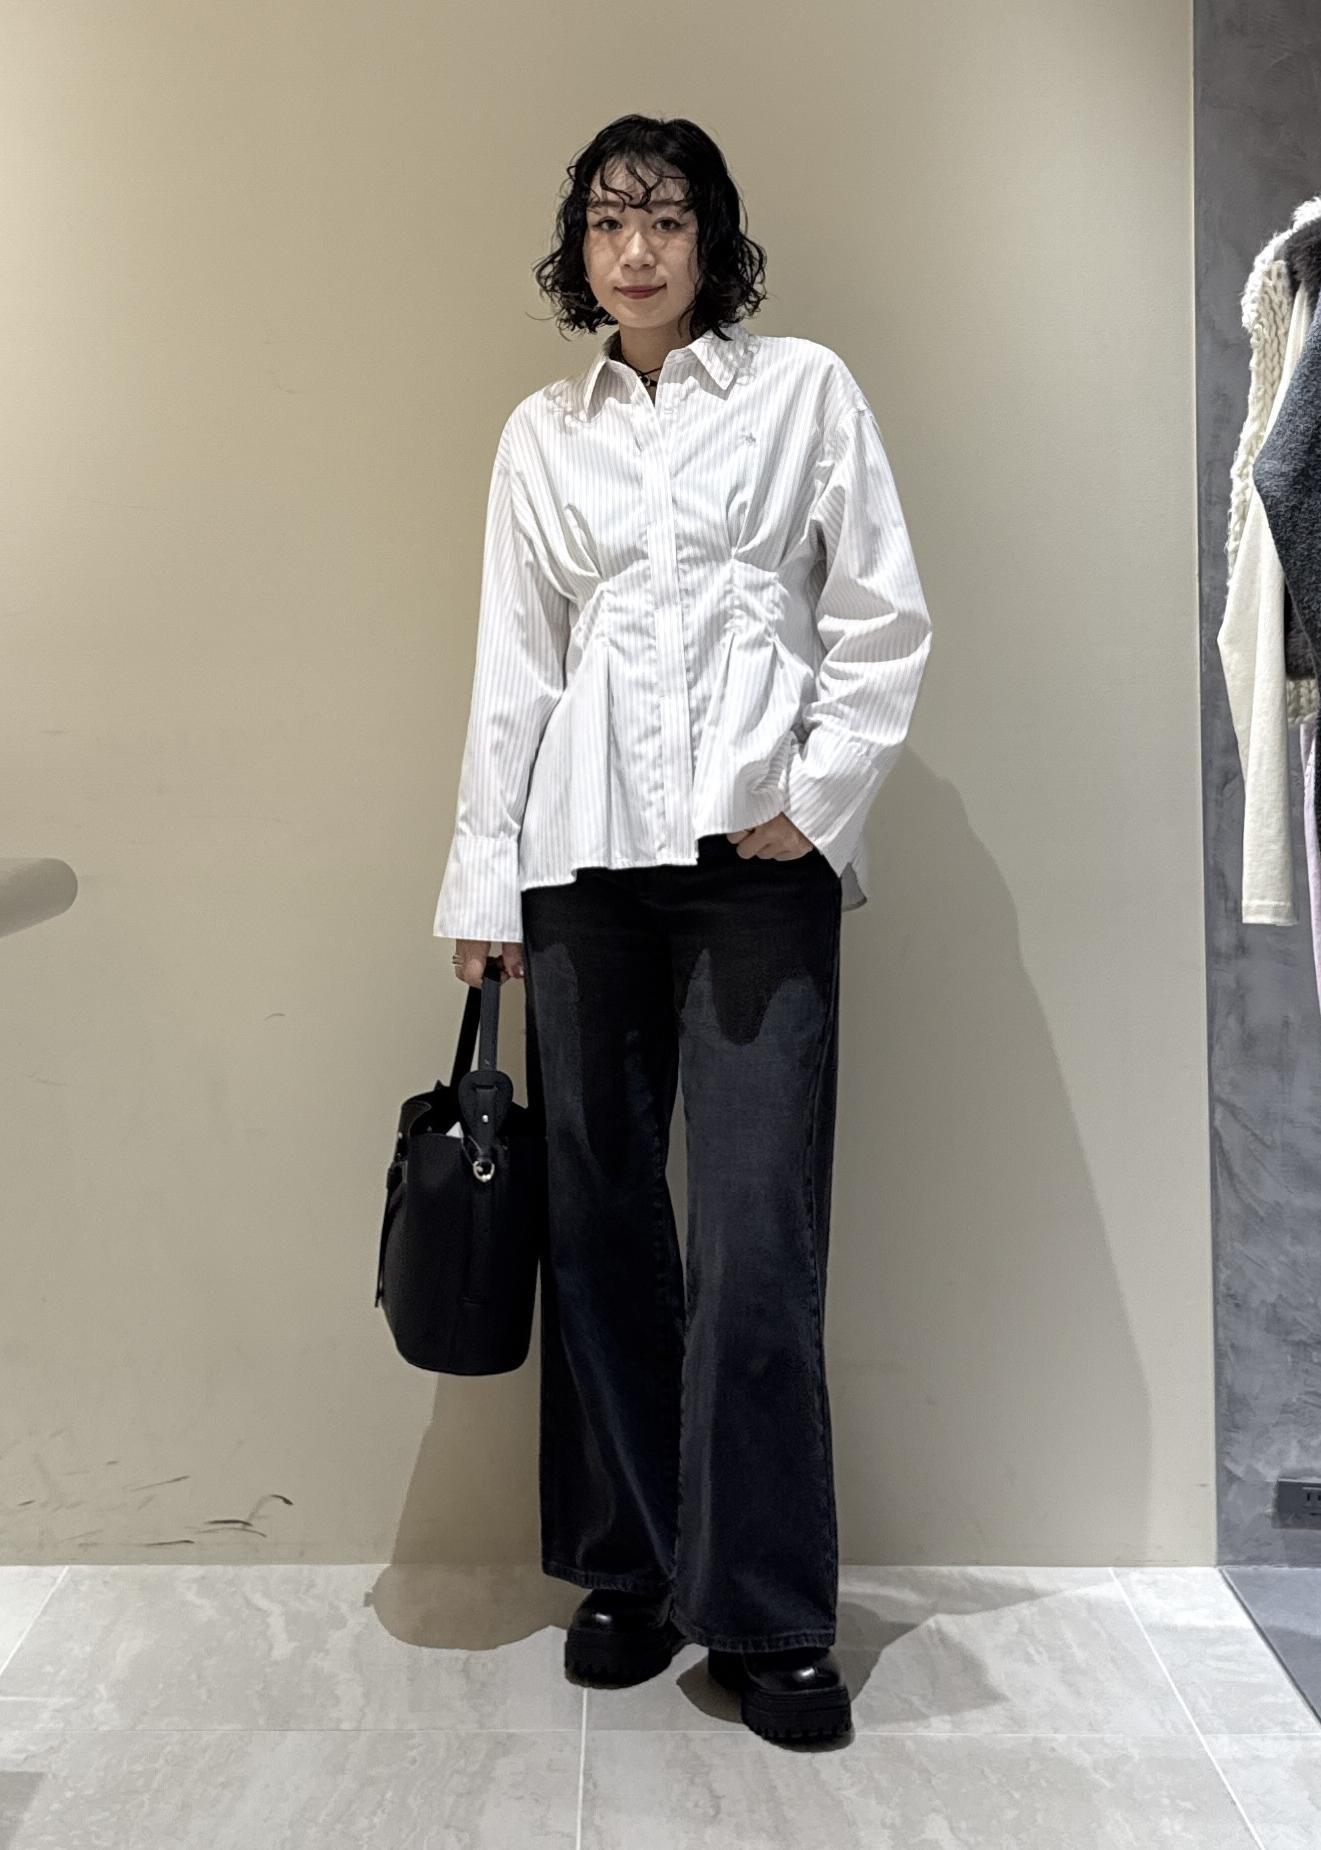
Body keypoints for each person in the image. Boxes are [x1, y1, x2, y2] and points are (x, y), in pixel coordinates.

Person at [433, 114, 933, 1745]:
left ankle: (769, 1611)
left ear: (711, 239)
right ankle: (631, 1567)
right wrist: (482, 887)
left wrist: (819, 792)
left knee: (755, 1236)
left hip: (751, 861)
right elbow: (515, 663)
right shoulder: (540, 434)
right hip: (579, 861)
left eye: (663, 217)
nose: (633, 248)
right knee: (601, 1224)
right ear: (575, 249)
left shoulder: (804, 393)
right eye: (605, 220)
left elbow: (878, 609)